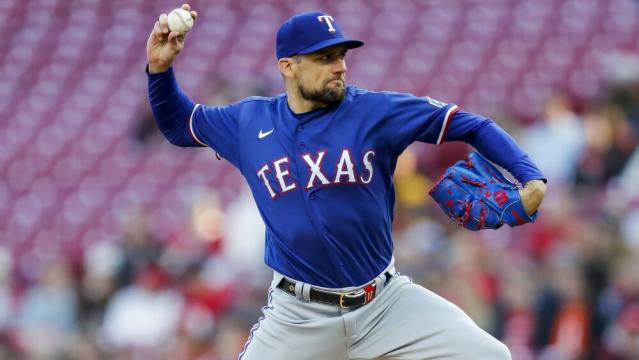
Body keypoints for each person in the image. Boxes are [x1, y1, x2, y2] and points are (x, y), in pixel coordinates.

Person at [146, 4, 547, 359]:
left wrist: (531, 177)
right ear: (288, 66)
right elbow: (179, 125)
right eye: (324, 57)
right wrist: (160, 71)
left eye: (340, 55)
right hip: (298, 317)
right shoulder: (248, 121)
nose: (339, 65)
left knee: (489, 354)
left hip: (385, 303)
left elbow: (470, 124)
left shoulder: (375, 111)